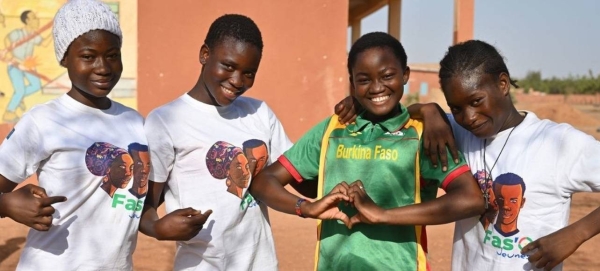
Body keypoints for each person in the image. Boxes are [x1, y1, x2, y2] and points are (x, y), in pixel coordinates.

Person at [249, 32, 485, 271]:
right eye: (363, 80)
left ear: (405, 75)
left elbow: (471, 199)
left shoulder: (422, 134)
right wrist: (306, 207)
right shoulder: (333, 129)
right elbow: (263, 182)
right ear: (352, 83)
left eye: (387, 76)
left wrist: (382, 214)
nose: (376, 87)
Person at [398, 40, 600, 271]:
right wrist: (429, 109)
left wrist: (576, 234)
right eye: (457, 108)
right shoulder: (455, 132)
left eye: (476, 101)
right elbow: (399, 115)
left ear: (503, 84)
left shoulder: (557, 142)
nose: (469, 117)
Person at [0, 0, 148, 270]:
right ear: (65, 58)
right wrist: (6, 204)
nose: (103, 67)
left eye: (112, 55)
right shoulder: (42, 121)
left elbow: (140, 202)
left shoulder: (136, 123)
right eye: (88, 56)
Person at [140, 14, 287, 271]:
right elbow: (146, 205)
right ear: (205, 54)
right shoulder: (165, 121)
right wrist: (157, 228)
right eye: (228, 66)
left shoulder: (259, 113)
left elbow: (299, 171)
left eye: (249, 73)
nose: (238, 81)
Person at [3, 10, 52, 122]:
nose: (37, 20)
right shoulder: (18, 33)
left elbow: (44, 43)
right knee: (19, 91)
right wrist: (9, 53)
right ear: (27, 21)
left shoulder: (34, 35)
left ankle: (19, 98)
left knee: (36, 85)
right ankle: (8, 113)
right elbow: (6, 39)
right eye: (34, 18)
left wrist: (54, 32)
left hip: (27, 66)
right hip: (15, 66)